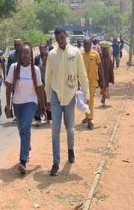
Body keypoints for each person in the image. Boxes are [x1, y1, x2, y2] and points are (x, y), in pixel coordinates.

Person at [45, 27, 89, 176]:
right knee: (55, 130)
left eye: (62, 38)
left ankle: (71, 150)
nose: (60, 40)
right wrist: (47, 98)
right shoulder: (52, 54)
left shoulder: (75, 53)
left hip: (70, 96)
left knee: (69, 127)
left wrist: (86, 94)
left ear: (66, 36)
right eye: (57, 39)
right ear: (55, 40)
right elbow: (48, 77)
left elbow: (82, 74)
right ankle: (56, 162)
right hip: (56, 95)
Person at [5, 43, 45, 174]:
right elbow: (9, 87)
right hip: (17, 103)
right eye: (23, 53)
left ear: (31, 55)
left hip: (31, 101)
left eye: (27, 53)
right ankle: (26, 146)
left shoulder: (36, 70)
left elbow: (39, 89)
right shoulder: (14, 68)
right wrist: (8, 105)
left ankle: (23, 161)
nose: (25, 55)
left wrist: (43, 106)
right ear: (20, 55)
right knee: (21, 129)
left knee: (26, 127)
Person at [81, 38, 105, 130]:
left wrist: (102, 81)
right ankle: (87, 116)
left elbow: (100, 67)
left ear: (91, 45)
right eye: (85, 45)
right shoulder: (80, 55)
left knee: (90, 100)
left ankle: (90, 120)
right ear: (83, 45)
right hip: (83, 81)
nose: (87, 46)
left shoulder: (95, 54)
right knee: (85, 100)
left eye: (88, 45)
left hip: (92, 81)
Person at [34, 45, 50, 125]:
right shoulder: (38, 68)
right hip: (41, 86)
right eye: (43, 59)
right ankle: (39, 119)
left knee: (49, 102)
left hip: (49, 86)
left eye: (46, 59)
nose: (44, 60)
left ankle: (48, 117)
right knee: (40, 103)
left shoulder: (51, 68)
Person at [100, 43, 115, 107]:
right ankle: (103, 99)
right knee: (103, 87)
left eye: (105, 51)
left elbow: (111, 69)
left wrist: (111, 77)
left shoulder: (109, 59)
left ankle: (103, 100)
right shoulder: (100, 58)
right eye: (103, 51)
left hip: (106, 76)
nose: (104, 52)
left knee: (105, 87)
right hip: (101, 76)